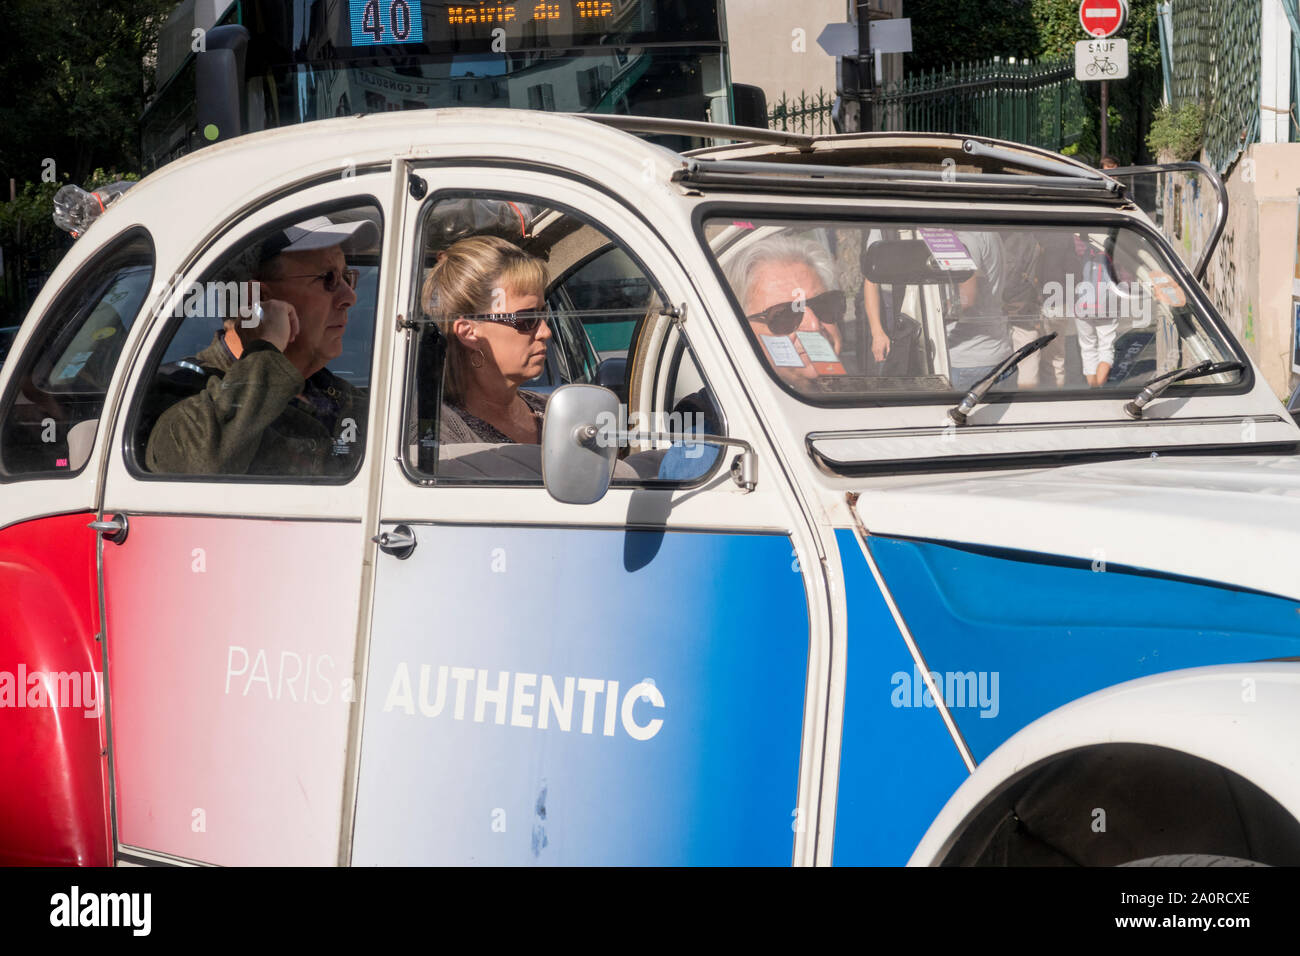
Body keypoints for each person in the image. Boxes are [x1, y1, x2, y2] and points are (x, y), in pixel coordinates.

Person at [146, 215, 377, 475]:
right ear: (259, 300)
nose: (350, 296)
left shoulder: (341, 397)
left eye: (347, 276)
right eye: (329, 279)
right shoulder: (179, 389)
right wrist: (266, 347)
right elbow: (202, 463)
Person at [421, 235, 551, 444]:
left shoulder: (555, 413)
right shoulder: (436, 436)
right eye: (527, 318)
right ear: (468, 332)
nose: (545, 332)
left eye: (543, 314)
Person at [724, 234, 846, 388]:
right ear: (740, 330)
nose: (814, 325)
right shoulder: (701, 410)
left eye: (824, 305)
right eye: (784, 316)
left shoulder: (872, 394)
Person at [947, 230, 1015, 391]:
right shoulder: (990, 233)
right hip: (999, 354)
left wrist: (936, 310)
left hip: (968, 360)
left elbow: (966, 298)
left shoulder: (962, 238)